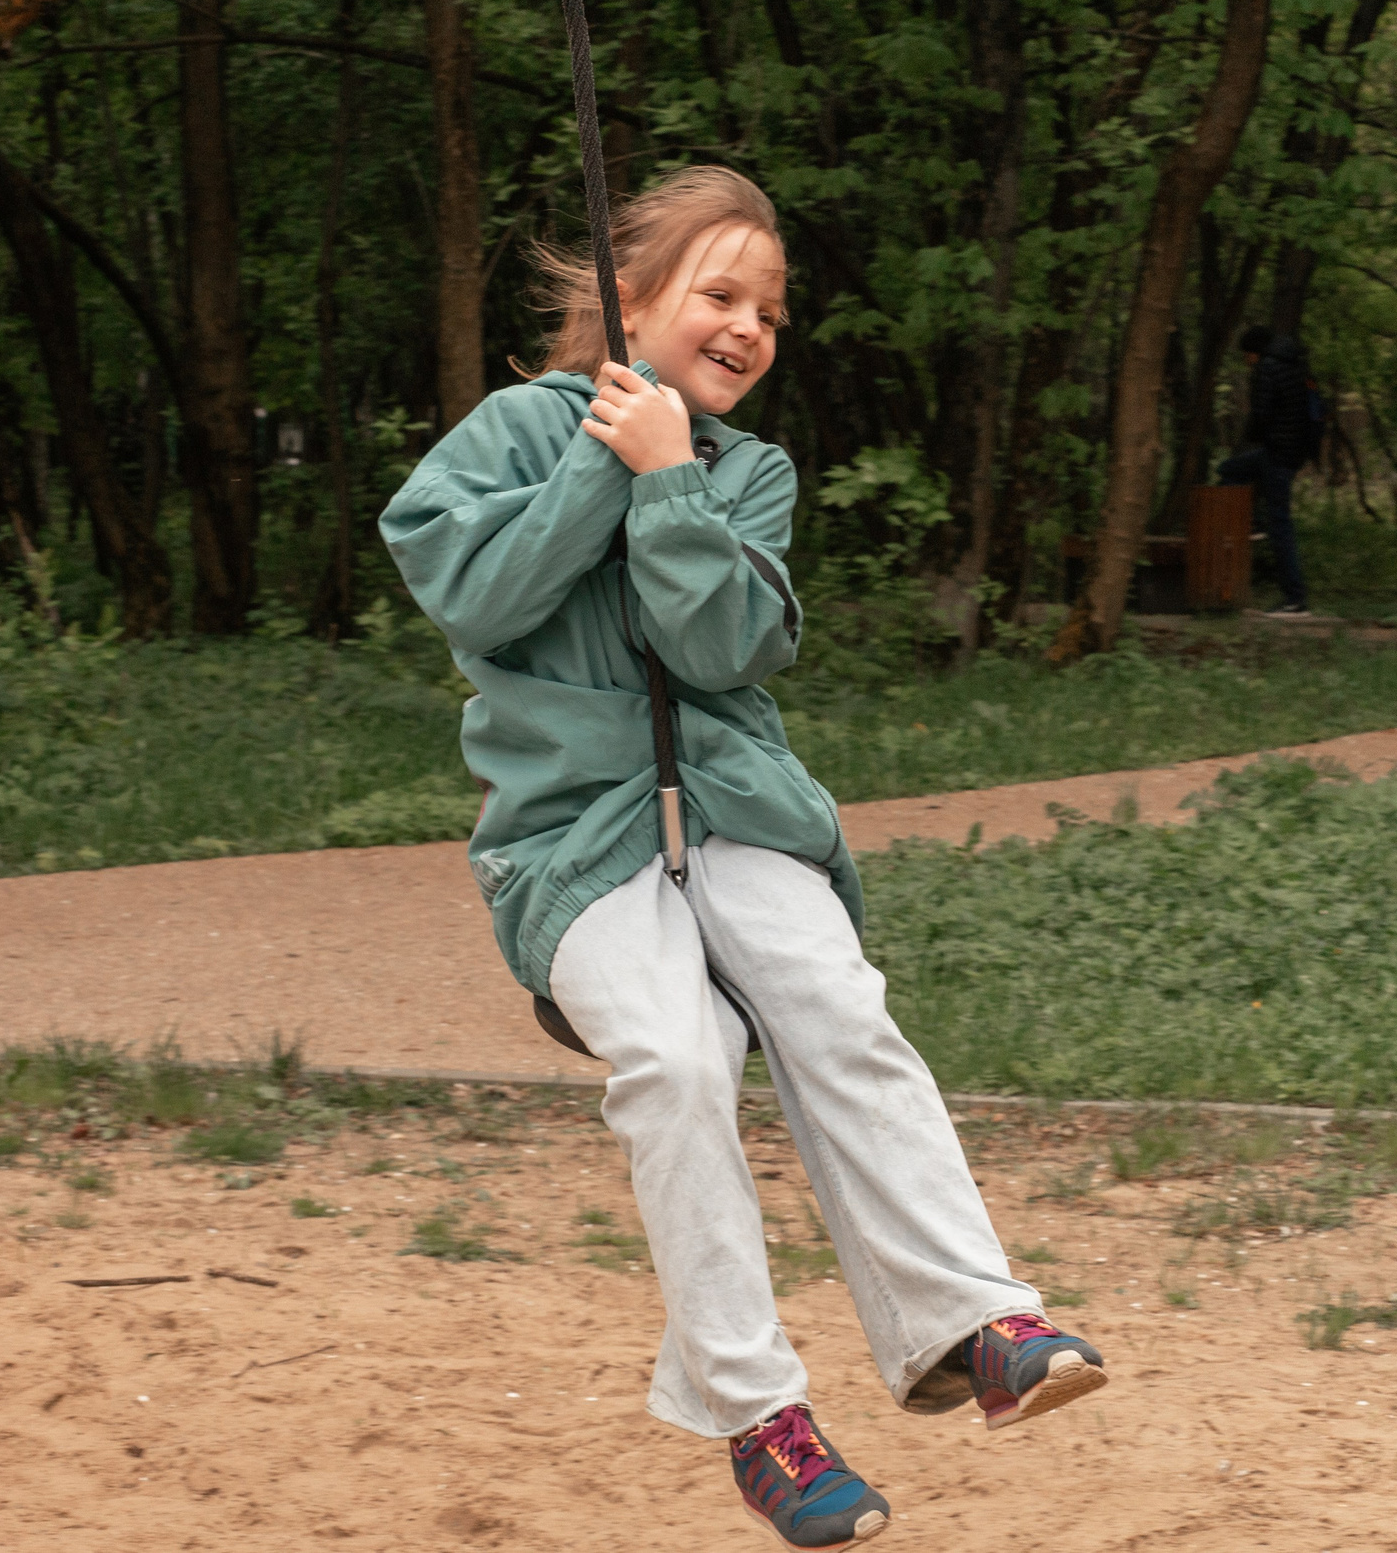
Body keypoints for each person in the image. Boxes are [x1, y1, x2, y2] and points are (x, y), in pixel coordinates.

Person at [381, 167, 1104, 1550]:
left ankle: (978, 1319)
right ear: (630, 298)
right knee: (676, 1058)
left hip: (741, 816)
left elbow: (723, 648)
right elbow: (478, 595)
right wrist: (608, 456)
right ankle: (761, 1418)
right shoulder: (508, 435)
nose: (750, 327)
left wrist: (670, 477)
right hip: (571, 845)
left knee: (837, 1005)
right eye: (719, 294)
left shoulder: (747, 469)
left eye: (770, 309)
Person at [1217, 323, 1319, 615]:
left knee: (1280, 525)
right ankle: (1253, 522)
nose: (1247, 361)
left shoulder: (1266, 369)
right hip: (1292, 451)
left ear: (1254, 352)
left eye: (1247, 355)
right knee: (1231, 470)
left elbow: (1261, 413)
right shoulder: (1297, 366)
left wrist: (1254, 434)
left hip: (1276, 451)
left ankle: (1295, 599)